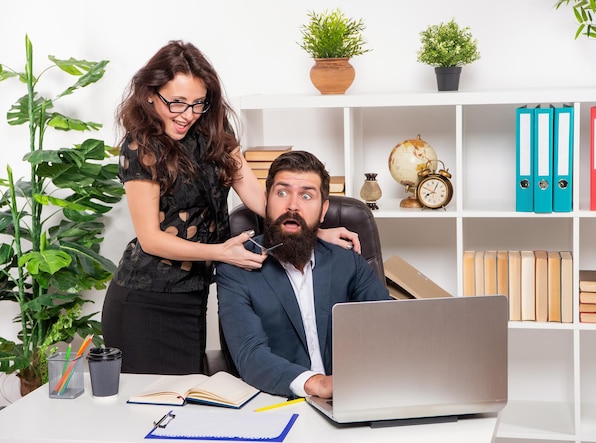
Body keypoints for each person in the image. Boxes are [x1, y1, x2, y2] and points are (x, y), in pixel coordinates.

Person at [101, 41, 360, 375]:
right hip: (145, 300)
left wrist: (315, 230)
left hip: (192, 297)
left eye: (197, 104)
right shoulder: (142, 148)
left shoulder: (214, 131)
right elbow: (150, 239)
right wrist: (222, 253)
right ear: (151, 95)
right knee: (151, 410)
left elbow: (253, 192)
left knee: (185, 406)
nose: (187, 115)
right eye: (176, 103)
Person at [216, 151, 391, 399]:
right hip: (278, 402)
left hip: (351, 397)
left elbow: (389, 325)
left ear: (323, 211)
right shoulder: (237, 268)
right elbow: (250, 354)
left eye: (307, 196)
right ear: (266, 201)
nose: (293, 205)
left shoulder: (347, 261)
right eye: (282, 193)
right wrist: (316, 384)